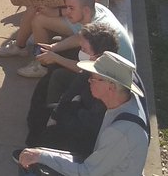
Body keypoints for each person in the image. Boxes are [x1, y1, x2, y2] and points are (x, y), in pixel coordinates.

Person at [17, 52, 148, 176]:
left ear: (111, 86)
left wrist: (39, 156)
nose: (88, 81)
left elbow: (86, 172)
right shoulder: (125, 101)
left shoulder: (120, 131)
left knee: (37, 160)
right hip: (102, 167)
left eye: (93, 78)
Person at [20, 23, 121, 158]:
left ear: (97, 56)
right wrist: (56, 113)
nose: (81, 51)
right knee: (43, 112)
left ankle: (37, 156)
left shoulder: (105, 86)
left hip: (85, 134)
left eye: (84, 49)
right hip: (78, 113)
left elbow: (90, 122)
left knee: (50, 129)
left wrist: (62, 116)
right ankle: (33, 149)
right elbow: (72, 91)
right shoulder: (91, 68)